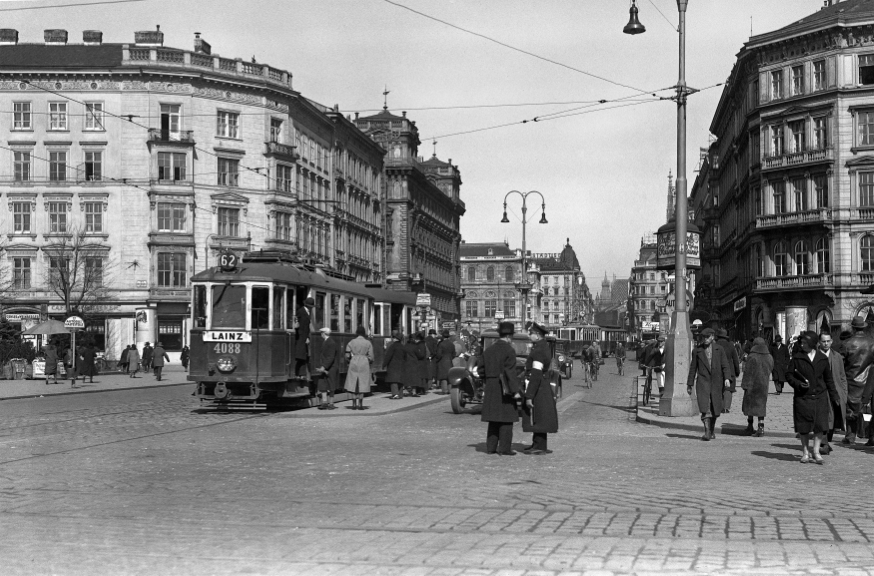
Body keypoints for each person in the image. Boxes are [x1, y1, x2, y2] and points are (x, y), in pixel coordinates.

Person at [786, 331, 840, 464]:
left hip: (820, 397)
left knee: (820, 426)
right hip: (803, 398)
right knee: (803, 427)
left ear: (811, 343)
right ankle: (805, 452)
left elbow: (828, 379)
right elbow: (788, 375)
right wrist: (798, 384)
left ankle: (816, 452)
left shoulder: (822, 358)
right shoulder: (797, 358)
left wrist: (834, 396)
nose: (802, 345)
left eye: (805, 343)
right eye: (802, 342)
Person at [482, 321, 522, 456]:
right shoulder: (509, 350)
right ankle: (504, 448)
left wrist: (488, 379)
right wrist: (515, 391)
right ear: (509, 336)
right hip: (504, 387)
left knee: (493, 418)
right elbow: (510, 372)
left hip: (491, 385)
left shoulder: (488, 350)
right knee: (506, 419)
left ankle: (491, 447)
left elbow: (480, 369)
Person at [686, 327, 731, 441]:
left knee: (715, 407)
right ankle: (707, 432)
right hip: (702, 382)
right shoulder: (697, 351)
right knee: (705, 407)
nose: (705, 339)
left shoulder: (719, 349)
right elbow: (693, 368)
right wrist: (689, 383)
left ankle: (711, 430)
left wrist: (727, 378)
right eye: (703, 337)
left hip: (716, 382)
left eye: (707, 337)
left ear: (712, 337)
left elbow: (725, 365)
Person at [521, 321, 558, 455]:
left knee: (539, 416)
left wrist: (529, 395)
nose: (529, 335)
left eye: (531, 333)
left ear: (537, 335)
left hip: (539, 387)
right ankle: (537, 443)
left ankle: (540, 446)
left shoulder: (539, 350)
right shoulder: (541, 347)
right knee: (538, 415)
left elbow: (536, 373)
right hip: (542, 385)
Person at [841, 316, 874, 445]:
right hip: (869, 380)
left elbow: (841, 364)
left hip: (851, 380)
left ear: (853, 327)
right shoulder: (872, 343)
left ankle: (850, 436)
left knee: (851, 409)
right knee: (870, 410)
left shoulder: (846, 344)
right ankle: (871, 436)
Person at [818, 332, 848, 455]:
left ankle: (827, 441)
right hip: (820, 392)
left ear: (831, 342)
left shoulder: (837, 357)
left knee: (833, 418)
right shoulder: (814, 356)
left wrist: (844, 394)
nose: (826, 343)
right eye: (823, 341)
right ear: (819, 342)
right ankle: (824, 443)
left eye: (828, 341)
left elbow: (842, 376)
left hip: (835, 392)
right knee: (823, 417)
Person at [741, 337, 773, 437]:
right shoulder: (769, 357)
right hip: (763, 384)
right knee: (761, 406)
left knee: (750, 406)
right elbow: (771, 368)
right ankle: (761, 427)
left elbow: (748, 371)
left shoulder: (752, 356)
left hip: (752, 384)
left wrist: (744, 384)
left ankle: (750, 425)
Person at [344, 325, 374, 410]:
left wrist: (349, 360)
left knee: (354, 383)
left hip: (354, 361)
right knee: (362, 383)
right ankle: (360, 404)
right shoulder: (368, 343)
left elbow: (347, 354)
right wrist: (368, 360)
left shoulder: (352, 342)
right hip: (364, 362)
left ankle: (353, 404)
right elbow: (371, 356)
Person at [315, 327, 340, 410]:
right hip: (326, 367)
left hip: (331, 367)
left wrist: (323, 367)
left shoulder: (331, 343)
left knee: (331, 385)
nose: (320, 334)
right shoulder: (327, 342)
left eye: (321, 333)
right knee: (323, 384)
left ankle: (331, 403)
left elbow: (330, 357)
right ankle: (325, 402)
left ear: (324, 333)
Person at [716, 328, 740, 414]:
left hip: (717, 369)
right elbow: (735, 360)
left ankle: (719, 406)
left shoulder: (715, 345)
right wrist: (737, 371)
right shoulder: (731, 345)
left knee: (719, 388)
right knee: (728, 389)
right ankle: (726, 407)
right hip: (730, 370)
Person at [295, 297, 314, 377]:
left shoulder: (307, 312)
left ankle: (301, 374)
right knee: (300, 355)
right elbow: (299, 325)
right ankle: (298, 373)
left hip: (304, 336)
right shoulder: (301, 311)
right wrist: (304, 337)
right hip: (301, 337)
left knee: (303, 355)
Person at [384, 331, 406, 400]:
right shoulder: (402, 346)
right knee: (400, 380)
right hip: (401, 365)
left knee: (393, 380)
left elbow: (388, 356)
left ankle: (395, 394)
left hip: (393, 365)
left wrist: (384, 364)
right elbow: (405, 356)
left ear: (395, 339)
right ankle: (400, 394)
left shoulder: (392, 346)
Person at [435, 329, 455, 395]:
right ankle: (450, 390)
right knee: (449, 377)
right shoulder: (451, 344)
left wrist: (437, 360)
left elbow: (439, 354)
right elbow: (454, 354)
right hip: (449, 361)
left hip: (442, 361)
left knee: (443, 377)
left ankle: (444, 390)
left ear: (443, 336)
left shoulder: (441, 344)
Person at [415, 331, 430, 395]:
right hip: (424, 362)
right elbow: (428, 353)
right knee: (423, 377)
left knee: (420, 377)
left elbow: (420, 354)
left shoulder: (419, 345)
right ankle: (423, 389)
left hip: (419, 362)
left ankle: (420, 390)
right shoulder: (424, 344)